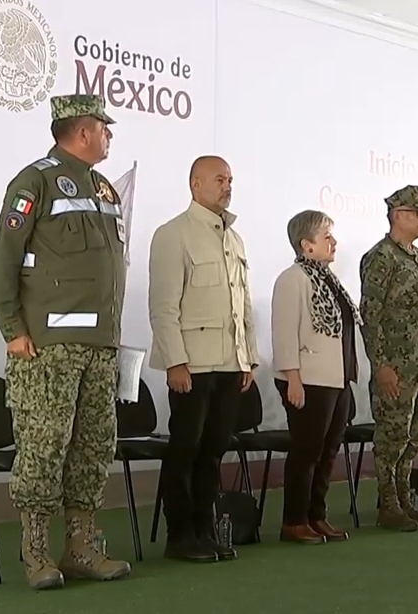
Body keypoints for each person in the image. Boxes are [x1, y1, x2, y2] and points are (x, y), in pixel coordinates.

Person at [0, 94, 130, 589]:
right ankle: (37, 552)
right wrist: (13, 330)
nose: (109, 135)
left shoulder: (105, 189)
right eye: (104, 128)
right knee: (45, 448)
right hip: (48, 346)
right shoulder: (36, 181)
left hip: (99, 345)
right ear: (83, 131)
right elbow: (3, 258)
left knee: (92, 447)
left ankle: (81, 547)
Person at [147, 155, 257, 563]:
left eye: (230, 179)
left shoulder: (234, 238)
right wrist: (175, 361)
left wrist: (249, 358)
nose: (227, 186)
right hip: (192, 364)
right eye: (219, 179)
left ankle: (205, 530)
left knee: (214, 451)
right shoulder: (173, 234)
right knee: (185, 449)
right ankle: (179, 536)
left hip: (229, 364)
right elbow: (163, 306)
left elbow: (242, 305)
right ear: (195, 184)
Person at [270, 210, 358, 544]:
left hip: (336, 379)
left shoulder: (328, 279)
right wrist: (292, 378)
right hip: (307, 379)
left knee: (328, 451)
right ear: (306, 245)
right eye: (327, 236)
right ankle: (294, 520)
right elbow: (284, 333)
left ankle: (316, 515)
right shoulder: (293, 279)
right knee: (306, 451)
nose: (334, 242)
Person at [359, 185, 418, 532]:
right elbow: (371, 315)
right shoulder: (381, 257)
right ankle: (388, 504)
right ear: (397, 215)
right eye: (417, 212)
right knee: (391, 436)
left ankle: (405, 499)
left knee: (413, 436)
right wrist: (380, 364)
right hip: (395, 365)